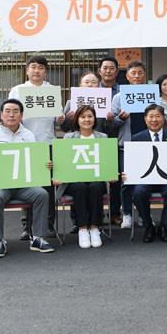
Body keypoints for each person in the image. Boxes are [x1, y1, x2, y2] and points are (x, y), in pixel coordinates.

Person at [0, 98, 55, 258]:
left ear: (21, 115)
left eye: (15, 111)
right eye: (7, 111)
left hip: (23, 185)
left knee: (42, 194)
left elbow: (34, 160)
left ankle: (38, 238)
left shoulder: (29, 135)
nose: (11, 115)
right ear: (1, 115)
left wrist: (45, 164)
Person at [9, 55, 62, 238]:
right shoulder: (18, 90)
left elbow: (58, 117)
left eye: (40, 67)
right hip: (24, 143)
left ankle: (48, 224)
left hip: (47, 142)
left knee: (47, 186)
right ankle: (27, 225)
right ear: (27, 70)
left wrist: (60, 118)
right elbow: (10, 115)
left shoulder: (52, 90)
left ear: (45, 71)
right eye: (33, 67)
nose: (36, 70)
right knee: (27, 184)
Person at [53, 104, 109, 249]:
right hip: (74, 181)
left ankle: (95, 227)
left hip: (96, 179)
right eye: (82, 117)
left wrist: (111, 173)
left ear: (95, 119)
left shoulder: (102, 137)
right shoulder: (68, 137)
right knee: (80, 187)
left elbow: (107, 161)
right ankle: (82, 228)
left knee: (96, 187)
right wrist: (57, 176)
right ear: (77, 119)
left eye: (90, 116)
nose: (86, 120)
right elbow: (62, 161)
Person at [129, 104, 167, 243]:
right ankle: (148, 226)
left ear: (163, 119)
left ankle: (164, 225)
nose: (154, 120)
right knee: (138, 192)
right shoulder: (137, 138)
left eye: (158, 116)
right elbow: (133, 162)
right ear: (145, 119)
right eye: (151, 116)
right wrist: (128, 174)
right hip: (145, 180)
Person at [110, 60, 150, 229]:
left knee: (146, 180)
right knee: (126, 181)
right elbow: (111, 124)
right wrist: (121, 118)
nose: (137, 76)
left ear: (144, 75)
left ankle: (143, 214)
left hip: (147, 145)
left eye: (140, 73)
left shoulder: (150, 95)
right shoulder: (119, 97)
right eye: (133, 73)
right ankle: (126, 213)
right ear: (127, 76)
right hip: (125, 146)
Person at [97, 56, 122, 225]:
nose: (108, 71)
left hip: (116, 137)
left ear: (117, 71)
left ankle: (114, 213)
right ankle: (96, 214)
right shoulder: (91, 91)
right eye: (105, 68)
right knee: (96, 178)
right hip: (96, 138)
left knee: (115, 179)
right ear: (100, 71)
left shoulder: (122, 92)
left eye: (111, 68)